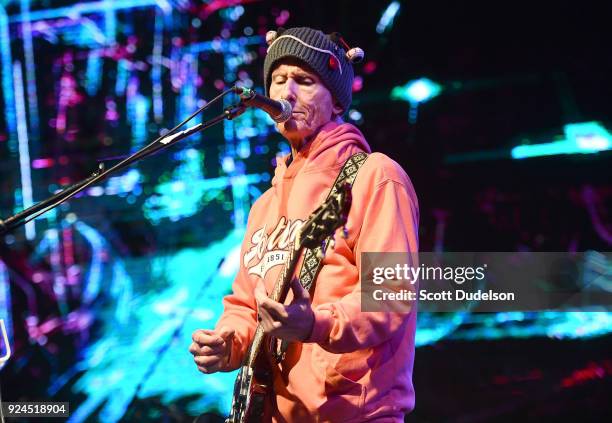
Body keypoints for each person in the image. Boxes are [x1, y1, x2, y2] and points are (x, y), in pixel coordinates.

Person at [189, 27, 419, 422]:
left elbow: (390, 294)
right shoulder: (264, 206)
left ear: (336, 102)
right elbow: (246, 304)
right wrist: (228, 342)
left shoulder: (375, 176)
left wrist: (314, 323)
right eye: (278, 80)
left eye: (304, 81)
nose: (286, 93)